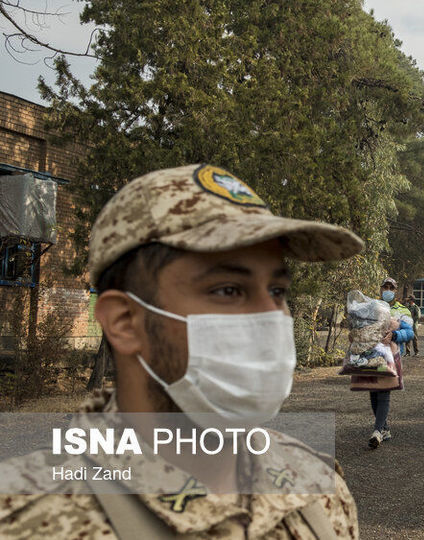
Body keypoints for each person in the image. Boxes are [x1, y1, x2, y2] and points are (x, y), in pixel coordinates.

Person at [0, 164, 362, 538]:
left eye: (277, 292)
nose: (271, 318)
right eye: (228, 290)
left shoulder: (318, 493)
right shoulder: (24, 518)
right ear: (125, 322)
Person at [364, 277, 413, 449]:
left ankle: (377, 431)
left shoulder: (403, 311)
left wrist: (395, 335)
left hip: (391, 356)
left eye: (391, 287)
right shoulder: (372, 307)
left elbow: (409, 333)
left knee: (384, 391)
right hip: (372, 354)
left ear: (395, 291)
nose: (387, 290)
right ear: (380, 289)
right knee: (373, 392)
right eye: (385, 286)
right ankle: (384, 428)